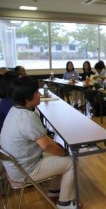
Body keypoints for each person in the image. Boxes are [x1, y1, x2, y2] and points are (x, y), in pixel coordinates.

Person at [0, 76, 76, 209]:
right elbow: (46, 145)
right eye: (36, 92)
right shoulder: (27, 117)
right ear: (27, 97)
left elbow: (45, 143)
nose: (40, 94)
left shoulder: (15, 110)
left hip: (13, 166)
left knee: (56, 153)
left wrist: (58, 150)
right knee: (71, 161)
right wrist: (64, 153)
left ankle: (54, 191)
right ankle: (65, 203)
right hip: (24, 171)